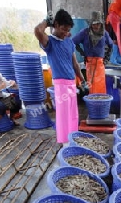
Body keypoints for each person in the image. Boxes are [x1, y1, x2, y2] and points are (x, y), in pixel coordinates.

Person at [34, 9, 85, 144]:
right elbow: (38, 31)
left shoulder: (69, 42)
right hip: (61, 84)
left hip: (71, 83)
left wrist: (82, 80)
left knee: (73, 114)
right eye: (63, 29)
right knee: (63, 116)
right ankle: (64, 143)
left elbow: (75, 64)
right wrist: (46, 21)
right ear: (55, 24)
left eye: (67, 30)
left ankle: (72, 139)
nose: (65, 33)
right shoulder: (49, 42)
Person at [72, 11, 113, 94]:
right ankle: (93, 104)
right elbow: (73, 42)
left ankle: (101, 103)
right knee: (92, 86)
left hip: (100, 64)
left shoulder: (104, 33)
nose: (96, 26)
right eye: (94, 24)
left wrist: (107, 59)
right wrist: (82, 53)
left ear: (101, 24)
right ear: (90, 24)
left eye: (98, 24)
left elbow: (111, 45)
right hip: (89, 63)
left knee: (100, 86)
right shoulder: (85, 32)